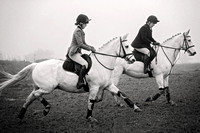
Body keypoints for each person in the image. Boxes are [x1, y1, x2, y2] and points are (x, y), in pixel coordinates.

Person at [67, 14, 96, 89]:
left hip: (78, 52)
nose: (86, 25)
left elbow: (84, 43)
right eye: (85, 23)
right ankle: (80, 81)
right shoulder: (77, 31)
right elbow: (80, 44)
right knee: (85, 64)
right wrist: (90, 49)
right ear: (80, 23)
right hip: (73, 53)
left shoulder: (81, 31)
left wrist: (91, 47)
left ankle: (84, 80)